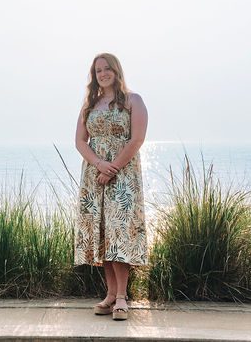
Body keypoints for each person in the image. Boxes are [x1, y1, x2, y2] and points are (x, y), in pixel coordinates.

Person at [74, 52, 149, 321]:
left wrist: (113, 167)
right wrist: (98, 165)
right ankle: (109, 294)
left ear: (117, 71)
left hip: (123, 176)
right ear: (94, 76)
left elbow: (137, 139)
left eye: (107, 69)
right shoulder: (89, 105)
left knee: (120, 232)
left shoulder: (133, 101)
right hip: (95, 176)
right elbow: (81, 141)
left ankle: (122, 298)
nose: (103, 73)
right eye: (98, 70)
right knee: (103, 233)